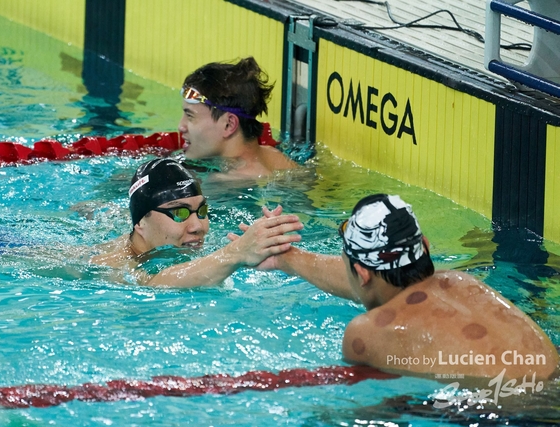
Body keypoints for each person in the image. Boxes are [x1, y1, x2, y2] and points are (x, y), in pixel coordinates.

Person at [244, 194, 560, 381]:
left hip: (512, 414)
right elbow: (368, 280)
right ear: (424, 245)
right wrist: (288, 258)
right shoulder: (460, 281)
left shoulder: (365, 333)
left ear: (361, 273)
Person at [91, 158, 303, 287]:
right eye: (179, 213)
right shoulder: (108, 263)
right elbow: (152, 284)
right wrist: (236, 253)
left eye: (201, 211)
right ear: (140, 223)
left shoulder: (180, 242)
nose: (198, 227)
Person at [178, 57, 297, 178]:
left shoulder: (227, 182)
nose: (181, 126)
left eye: (190, 116)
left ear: (229, 124)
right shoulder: (277, 157)